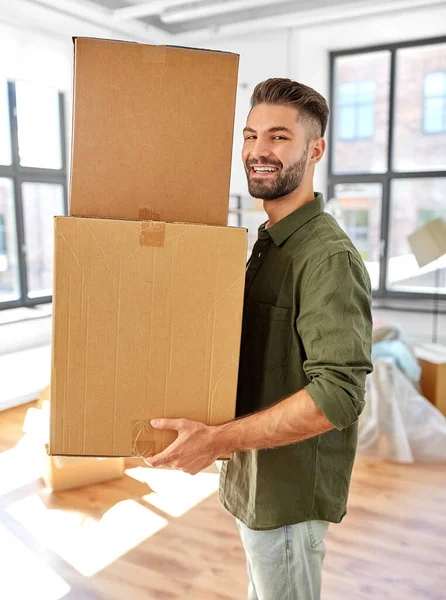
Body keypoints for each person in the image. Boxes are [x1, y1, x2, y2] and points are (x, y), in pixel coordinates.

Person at [148, 78, 373, 600]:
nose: (257, 152)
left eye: (277, 137)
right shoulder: (269, 244)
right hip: (254, 480)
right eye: (250, 137)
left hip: (288, 496)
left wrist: (218, 439)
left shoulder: (326, 257)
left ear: (315, 149)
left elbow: (338, 394)